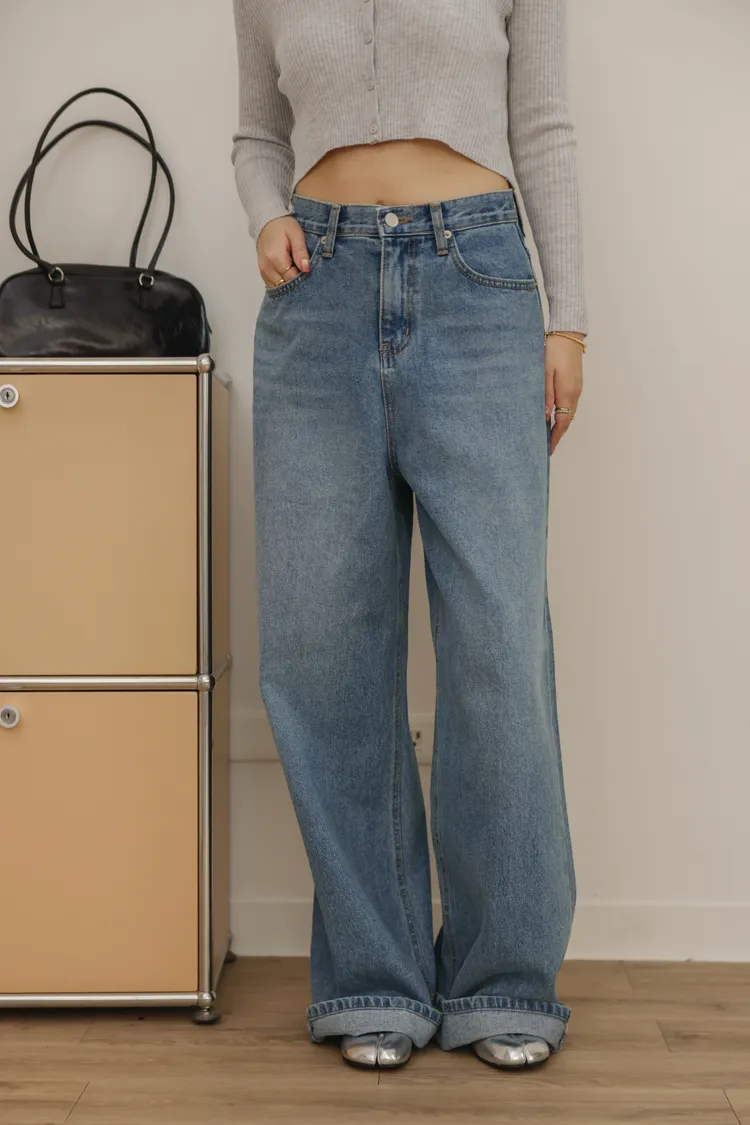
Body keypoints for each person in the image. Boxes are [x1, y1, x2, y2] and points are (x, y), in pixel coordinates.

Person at [231, 0, 587, 1072]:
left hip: (479, 284)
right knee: (321, 651)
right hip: (317, 292)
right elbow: (258, 133)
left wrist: (568, 319)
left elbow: (543, 127)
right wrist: (264, 214)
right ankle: (374, 977)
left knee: (496, 646)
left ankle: (504, 978)